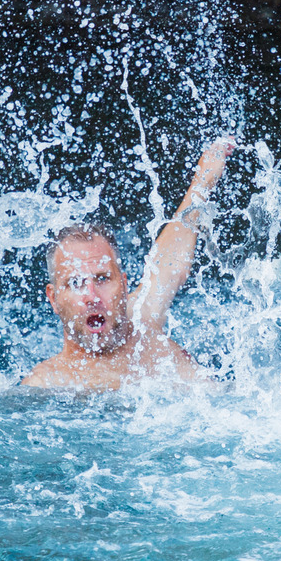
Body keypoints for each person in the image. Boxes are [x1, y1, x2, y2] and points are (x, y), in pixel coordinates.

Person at [22, 138, 235, 390]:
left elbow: (170, 262)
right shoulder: (47, 384)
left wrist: (204, 178)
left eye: (102, 279)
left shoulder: (142, 320)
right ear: (54, 298)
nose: (92, 296)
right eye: (76, 283)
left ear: (123, 285)